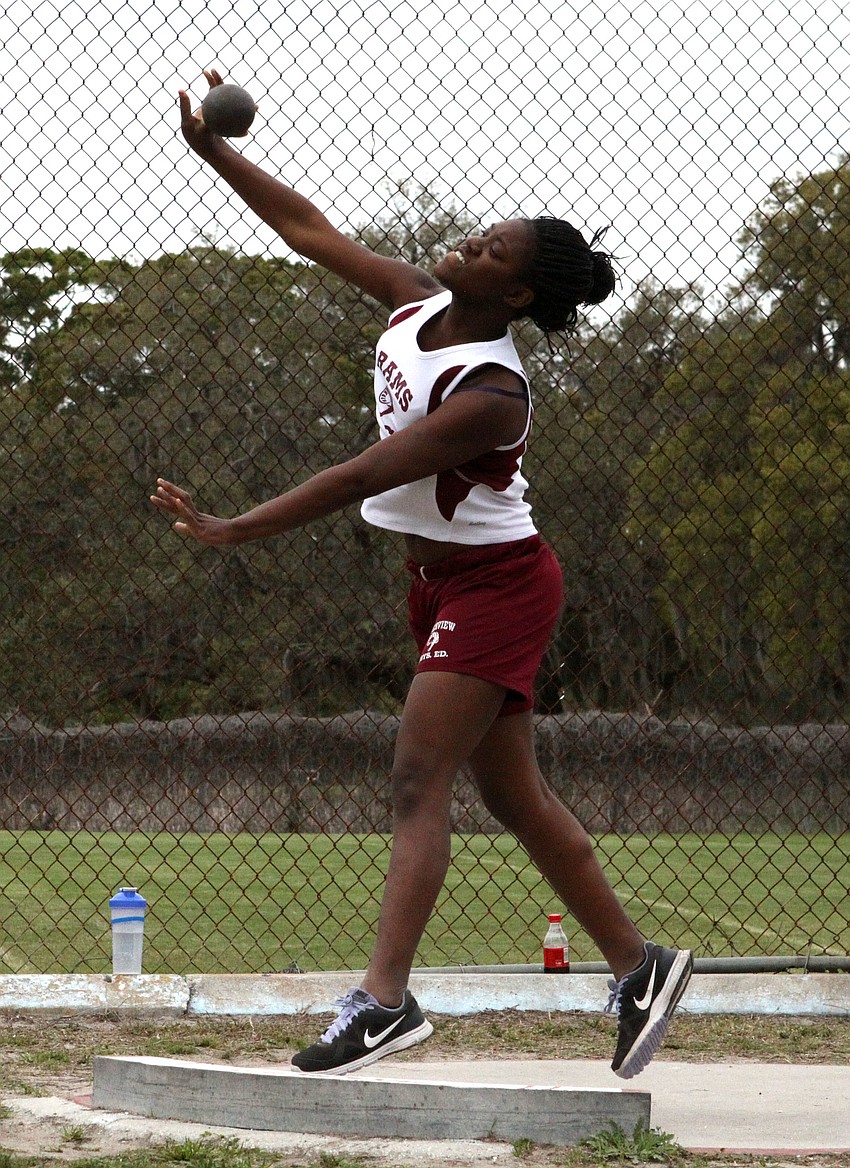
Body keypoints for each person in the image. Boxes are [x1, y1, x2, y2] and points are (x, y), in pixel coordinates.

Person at [153, 69, 694, 1080]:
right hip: (442, 587)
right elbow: (310, 230)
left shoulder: (491, 391)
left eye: (492, 251)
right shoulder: (417, 301)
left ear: (516, 294)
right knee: (517, 799)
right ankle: (640, 965)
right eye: (480, 235)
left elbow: (365, 472)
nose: (471, 245)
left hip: (498, 587)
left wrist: (235, 528)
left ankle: (384, 1003)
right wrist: (216, 154)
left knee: (415, 779)